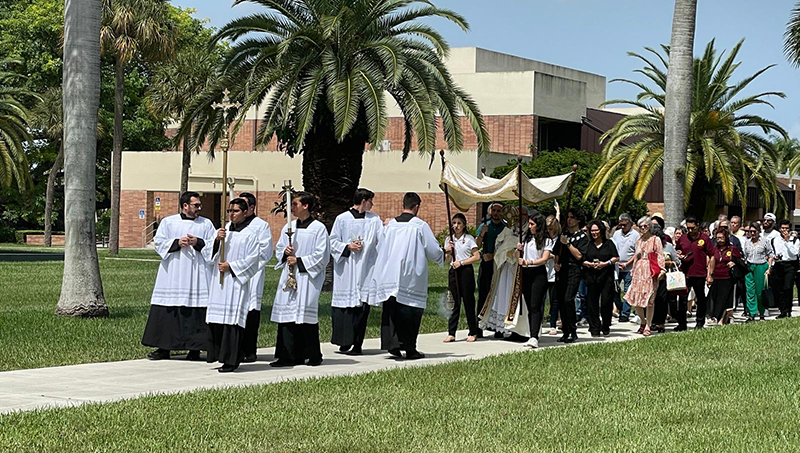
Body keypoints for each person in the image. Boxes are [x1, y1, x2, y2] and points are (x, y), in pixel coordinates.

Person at [142, 191, 217, 361]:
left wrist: (197, 242)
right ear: (185, 206)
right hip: (173, 272)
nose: (199, 208)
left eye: (199, 205)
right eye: (196, 205)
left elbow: (214, 246)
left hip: (197, 272)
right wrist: (177, 242)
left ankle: (195, 349)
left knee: (197, 310)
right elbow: (159, 242)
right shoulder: (169, 222)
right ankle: (164, 348)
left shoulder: (206, 224)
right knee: (168, 308)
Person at [372, 192, 444, 360]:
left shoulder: (390, 226)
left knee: (392, 308)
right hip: (409, 275)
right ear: (417, 207)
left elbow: (380, 247)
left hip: (390, 274)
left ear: (403, 205)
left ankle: (393, 345)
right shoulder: (419, 225)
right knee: (410, 309)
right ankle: (410, 348)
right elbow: (433, 250)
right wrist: (443, 253)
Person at [270, 192, 331, 367]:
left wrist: (300, 261)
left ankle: (312, 355)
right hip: (289, 276)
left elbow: (322, 255)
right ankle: (286, 356)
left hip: (307, 278)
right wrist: (285, 253)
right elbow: (280, 247)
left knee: (305, 317)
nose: (292, 207)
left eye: (295, 204)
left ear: (306, 206)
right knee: (286, 316)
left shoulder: (318, 228)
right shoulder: (289, 227)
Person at [206, 199, 260, 372]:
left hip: (235, 283)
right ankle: (218, 355)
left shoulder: (250, 235)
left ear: (245, 212)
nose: (231, 214)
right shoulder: (222, 231)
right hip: (219, 283)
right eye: (229, 211)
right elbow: (207, 253)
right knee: (217, 320)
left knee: (232, 321)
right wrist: (216, 241)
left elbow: (253, 260)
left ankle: (231, 360)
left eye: (235, 211)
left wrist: (232, 266)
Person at [329, 188, 382, 355]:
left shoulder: (374, 219)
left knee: (362, 308)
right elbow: (332, 241)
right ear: (364, 200)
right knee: (345, 308)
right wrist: (347, 246)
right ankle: (345, 342)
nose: (372, 204)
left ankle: (358, 344)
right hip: (346, 270)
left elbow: (383, 238)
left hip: (366, 269)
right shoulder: (342, 219)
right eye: (371, 201)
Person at [236, 192, 274, 363]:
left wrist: (246, 264)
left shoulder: (261, 226)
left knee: (250, 312)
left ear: (251, 208)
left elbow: (265, 252)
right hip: (233, 273)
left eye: (244, 205)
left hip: (252, 274)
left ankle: (249, 350)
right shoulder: (232, 225)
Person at [479, 208, 529, 338]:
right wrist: (504, 252)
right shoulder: (508, 229)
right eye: (519, 214)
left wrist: (514, 252)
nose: (520, 217)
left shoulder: (528, 231)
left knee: (517, 299)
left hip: (518, 269)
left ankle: (517, 329)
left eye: (523, 214)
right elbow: (498, 243)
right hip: (504, 268)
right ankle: (500, 328)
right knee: (502, 297)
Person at [514, 212, 554, 348]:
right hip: (526, 273)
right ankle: (531, 333)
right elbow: (517, 256)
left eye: (532, 224)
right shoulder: (526, 238)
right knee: (529, 305)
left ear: (538, 225)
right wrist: (518, 250)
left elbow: (544, 258)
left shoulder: (546, 240)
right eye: (529, 224)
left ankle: (534, 336)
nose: (529, 226)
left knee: (535, 305)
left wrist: (528, 262)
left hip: (538, 273)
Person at [443, 213, 481, 343]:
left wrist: (462, 262)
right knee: (453, 302)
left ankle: (473, 331)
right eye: (454, 223)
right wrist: (448, 251)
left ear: (464, 225)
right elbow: (447, 260)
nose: (456, 226)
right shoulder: (449, 239)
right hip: (453, 271)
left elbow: (476, 256)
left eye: (459, 223)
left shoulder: (469, 238)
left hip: (465, 271)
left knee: (468, 302)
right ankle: (451, 332)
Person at [624, 217, 665, 336]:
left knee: (650, 300)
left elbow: (660, 255)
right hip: (638, 271)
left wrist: (662, 269)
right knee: (637, 299)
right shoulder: (639, 240)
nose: (642, 228)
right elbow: (636, 256)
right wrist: (633, 269)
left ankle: (648, 324)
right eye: (640, 226)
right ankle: (643, 321)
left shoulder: (655, 240)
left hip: (650, 270)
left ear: (650, 227)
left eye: (645, 226)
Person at [555, 208, 588, 343]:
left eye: (572, 217)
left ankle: (573, 331)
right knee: (561, 300)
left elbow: (579, 255)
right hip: (562, 270)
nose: (569, 220)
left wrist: (567, 243)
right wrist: (556, 263)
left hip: (574, 271)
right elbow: (556, 252)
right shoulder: (564, 235)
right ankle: (565, 331)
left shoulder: (582, 237)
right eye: (568, 217)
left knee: (569, 299)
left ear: (578, 220)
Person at [676, 216, 715, 330]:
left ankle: (699, 322)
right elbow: (677, 250)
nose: (690, 231)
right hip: (685, 274)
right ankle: (682, 324)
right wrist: (679, 255)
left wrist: (710, 274)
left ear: (697, 226)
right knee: (682, 300)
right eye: (688, 228)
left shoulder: (705, 239)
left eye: (692, 228)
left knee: (700, 299)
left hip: (699, 273)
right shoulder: (683, 238)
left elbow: (712, 255)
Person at [581, 219, 619, 337]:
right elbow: (582, 259)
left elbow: (615, 257)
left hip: (606, 276)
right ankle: (594, 328)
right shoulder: (588, 244)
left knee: (606, 302)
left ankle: (606, 325)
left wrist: (605, 263)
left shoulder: (609, 243)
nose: (594, 233)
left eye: (596, 230)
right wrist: (590, 264)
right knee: (592, 303)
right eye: (592, 230)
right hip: (591, 277)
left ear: (601, 231)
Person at [475, 202, 507, 338]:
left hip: (500, 265)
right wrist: (482, 234)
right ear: (489, 212)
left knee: (499, 296)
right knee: (483, 295)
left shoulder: (506, 228)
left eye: (499, 210)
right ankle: (479, 328)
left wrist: (493, 256)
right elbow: (475, 246)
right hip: (486, 265)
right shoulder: (484, 226)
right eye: (494, 210)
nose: (496, 213)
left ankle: (498, 328)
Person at [707, 227, 743, 326]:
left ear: (726, 238)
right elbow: (711, 262)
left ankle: (721, 320)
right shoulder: (715, 249)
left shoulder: (732, 249)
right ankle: (719, 317)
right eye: (718, 238)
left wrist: (733, 263)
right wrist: (709, 275)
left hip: (728, 277)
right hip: (717, 276)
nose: (720, 240)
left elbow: (740, 261)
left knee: (724, 299)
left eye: (722, 238)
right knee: (716, 299)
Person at [741, 221, 773, 322]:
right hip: (750, 266)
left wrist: (769, 268)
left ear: (759, 231)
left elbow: (770, 255)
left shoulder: (765, 241)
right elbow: (745, 255)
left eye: (754, 231)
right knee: (750, 291)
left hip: (761, 266)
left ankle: (762, 313)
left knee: (760, 292)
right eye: (750, 231)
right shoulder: (747, 242)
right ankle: (751, 313)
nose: (752, 233)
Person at [652, 224, 681, 333]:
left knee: (662, 300)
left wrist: (668, 263)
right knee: (651, 300)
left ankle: (660, 323)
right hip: (650, 277)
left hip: (664, 278)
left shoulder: (668, 246)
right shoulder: (647, 246)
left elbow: (677, 262)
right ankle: (651, 321)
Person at [612, 213, 640, 323]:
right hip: (616, 267)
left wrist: (627, 263)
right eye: (621, 225)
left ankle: (625, 313)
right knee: (614, 290)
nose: (622, 227)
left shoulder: (636, 235)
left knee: (627, 291)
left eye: (625, 225)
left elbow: (637, 252)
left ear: (630, 224)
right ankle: (620, 308)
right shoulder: (616, 234)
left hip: (629, 268)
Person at [770, 219, 799, 319]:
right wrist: (775, 257)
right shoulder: (775, 239)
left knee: (788, 287)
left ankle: (788, 310)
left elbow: (795, 253)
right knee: (779, 289)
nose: (784, 230)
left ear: (790, 229)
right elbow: (773, 252)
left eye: (786, 228)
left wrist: (787, 241)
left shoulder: (795, 240)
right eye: (782, 228)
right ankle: (782, 310)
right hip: (779, 264)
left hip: (790, 265)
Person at [545, 213, 562, 335]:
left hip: (554, 273)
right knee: (540, 300)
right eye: (547, 228)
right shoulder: (544, 238)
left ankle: (553, 324)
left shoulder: (559, 239)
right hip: (543, 271)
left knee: (554, 300)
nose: (548, 230)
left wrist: (551, 256)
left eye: (551, 228)